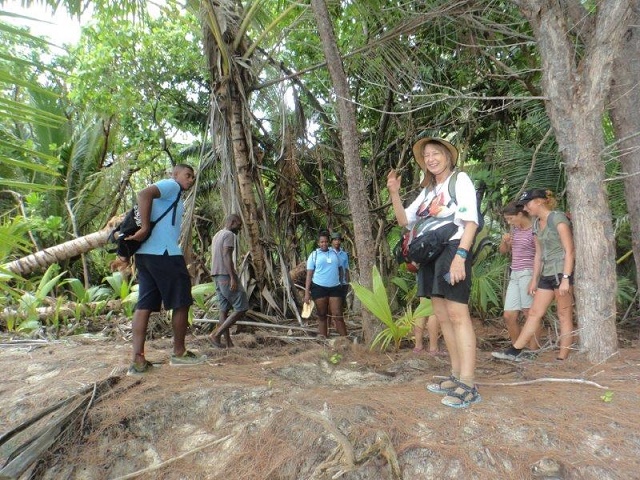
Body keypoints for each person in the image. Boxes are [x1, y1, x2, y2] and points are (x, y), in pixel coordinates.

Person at [387, 136, 481, 408]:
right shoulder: (429, 191)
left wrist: (460, 257)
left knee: (457, 315)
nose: (431, 158)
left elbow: (470, 222)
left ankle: (469, 382)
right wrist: (394, 192)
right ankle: (455, 375)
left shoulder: (459, 180)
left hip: (453, 248)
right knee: (442, 316)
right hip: (430, 255)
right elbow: (405, 220)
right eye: (427, 155)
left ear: (448, 156)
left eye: (436, 153)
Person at [127, 164, 206, 375]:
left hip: (145, 255)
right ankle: (179, 353)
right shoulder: (171, 186)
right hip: (165, 254)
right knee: (182, 301)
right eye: (187, 175)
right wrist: (144, 227)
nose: (190, 180)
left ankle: (138, 361)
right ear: (175, 174)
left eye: (192, 177)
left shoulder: (175, 194)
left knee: (144, 304)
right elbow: (144, 193)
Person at [492, 189, 575, 362]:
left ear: (539, 202)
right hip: (546, 273)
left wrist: (566, 279)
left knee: (563, 314)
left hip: (561, 272)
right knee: (534, 313)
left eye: (528, 204)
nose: (526, 208)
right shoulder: (537, 223)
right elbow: (538, 254)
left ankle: (563, 356)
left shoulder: (557, 219)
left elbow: (569, 250)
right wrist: (535, 280)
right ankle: (515, 351)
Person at [499, 201, 541, 350]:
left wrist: (534, 280)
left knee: (529, 313)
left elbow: (540, 255)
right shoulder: (515, 231)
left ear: (520, 214)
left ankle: (533, 350)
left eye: (511, 218)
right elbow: (504, 251)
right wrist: (505, 242)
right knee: (509, 315)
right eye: (507, 220)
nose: (509, 222)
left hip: (528, 273)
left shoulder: (534, 230)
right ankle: (517, 348)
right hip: (515, 273)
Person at [209, 214, 249, 348]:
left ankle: (228, 343)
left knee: (223, 310)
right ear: (232, 222)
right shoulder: (229, 235)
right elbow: (226, 256)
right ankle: (216, 334)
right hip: (225, 276)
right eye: (239, 225)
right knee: (242, 307)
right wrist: (232, 277)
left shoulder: (216, 235)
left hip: (216, 276)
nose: (240, 228)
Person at [304, 231, 347, 338]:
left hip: (335, 288)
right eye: (321, 242)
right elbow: (309, 275)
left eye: (326, 242)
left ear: (329, 242)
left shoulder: (335, 254)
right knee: (322, 315)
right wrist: (306, 294)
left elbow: (341, 269)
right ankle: (323, 339)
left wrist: (341, 282)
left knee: (338, 315)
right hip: (319, 288)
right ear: (318, 243)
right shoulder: (314, 255)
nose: (324, 244)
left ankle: (345, 341)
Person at [330, 232, 350, 308]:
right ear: (331, 241)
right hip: (332, 282)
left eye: (338, 240)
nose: (337, 242)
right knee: (333, 304)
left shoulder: (344, 254)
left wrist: (348, 283)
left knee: (342, 303)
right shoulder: (328, 253)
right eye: (335, 240)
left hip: (343, 283)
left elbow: (346, 268)